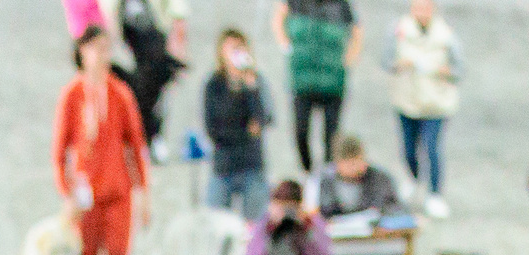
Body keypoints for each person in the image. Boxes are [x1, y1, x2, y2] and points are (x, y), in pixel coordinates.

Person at [54, 24, 153, 255]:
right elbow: (59, 151)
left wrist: (143, 196)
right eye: (95, 48)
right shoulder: (72, 96)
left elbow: (136, 147)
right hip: (85, 200)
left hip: (117, 194)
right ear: (82, 52)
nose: (101, 56)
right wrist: (67, 194)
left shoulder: (120, 94)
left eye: (106, 48)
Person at [386, 0, 462, 217]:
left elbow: (459, 69)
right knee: (409, 148)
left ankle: (435, 193)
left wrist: (445, 71)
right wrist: (399, 65)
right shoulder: (399, 30)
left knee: (432, 148)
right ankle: (413, 177)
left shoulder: (446, 33)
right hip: (407, 99)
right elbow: (386, 60)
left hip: (436, 102)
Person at [273, 0, 363, 174]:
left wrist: (349, 59)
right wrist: (286, 45)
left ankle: (328, 176)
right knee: (300, 131)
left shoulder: (340, 5)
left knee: (331, 136)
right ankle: (308, 172)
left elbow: (357, 30)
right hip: (302, 81)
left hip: (332, 83)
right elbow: (279, 17)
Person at [203, 27, 275, 217]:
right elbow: (213, 127)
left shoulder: (256, 82)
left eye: (239, 47)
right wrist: (244, 131)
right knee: (216, 224)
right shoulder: (214, 85)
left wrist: (251, 89)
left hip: (252, 164)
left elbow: (264, 119)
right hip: (223, 164)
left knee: (255, 225)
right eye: (231, 48)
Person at [113, 0, 191, 159]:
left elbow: (177, 8)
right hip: (125, 44)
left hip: (154, 42)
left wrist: (178, 29)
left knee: (154, 94)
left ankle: (153, 136)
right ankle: (138, 137)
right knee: (132, 94)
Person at [315, 132, 402, 218]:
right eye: (350, 165)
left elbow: (395, 207)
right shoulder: (326, 180)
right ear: (337, 164)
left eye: (359, 162)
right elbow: (322, 212)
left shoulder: (380, 179)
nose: (354, 169)